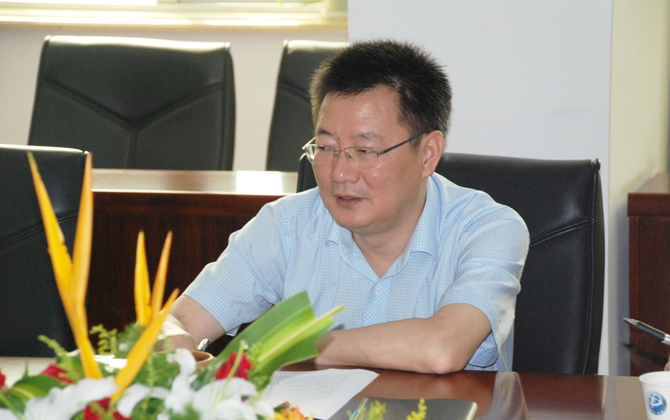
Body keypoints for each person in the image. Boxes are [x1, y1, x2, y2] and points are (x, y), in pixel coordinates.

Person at [162, 40, 530, 374]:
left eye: (366, 151)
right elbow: (178, 321)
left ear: (428, 154)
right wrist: (169, 341)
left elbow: (441, 349)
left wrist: (290, 345)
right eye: (326, 148)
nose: (340, 173)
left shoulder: (488, 228)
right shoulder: (286, 226)